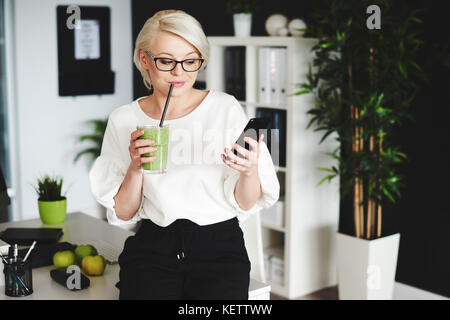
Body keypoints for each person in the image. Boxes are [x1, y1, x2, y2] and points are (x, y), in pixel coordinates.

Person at [89, 9, 280, 300]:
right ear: (144, 59)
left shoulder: (224, 109)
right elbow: (125, 213)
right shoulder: (124, 119)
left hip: (219, 245)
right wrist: (136, 168)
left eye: (191, 62)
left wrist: (250, 171)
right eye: (167, 61)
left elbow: (245, 202)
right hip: (154, 243)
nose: (180, 73)